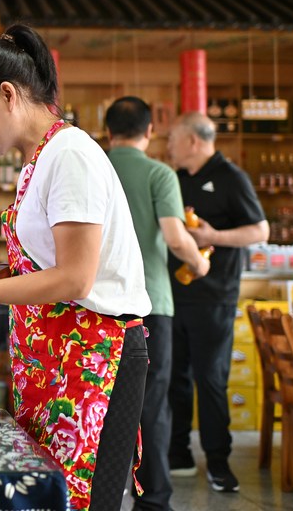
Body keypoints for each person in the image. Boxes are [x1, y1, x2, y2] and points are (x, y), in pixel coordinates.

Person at [0, 24, 150, 511]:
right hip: (54, 359)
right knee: (46, 495)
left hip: (94, 355)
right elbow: (46, 264)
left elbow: (76, 278)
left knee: (79, 500)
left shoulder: (70, 155)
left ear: (9, 94)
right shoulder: (39, 159)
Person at [105, 96, 211, 511]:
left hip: (94, 305)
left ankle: (102, 495)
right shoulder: (159, 173)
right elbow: (174, 235)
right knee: (152, 404)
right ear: (150, 131)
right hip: (149, 305)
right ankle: (153, 500)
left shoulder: (95, 165)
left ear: (108, 131)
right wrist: (200, 262)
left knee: (100, 401)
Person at [166, 113, 268, 493]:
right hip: (174, 295)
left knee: (211, 378)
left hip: (215, 297)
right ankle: (179, 454)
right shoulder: (174, 179)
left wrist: (214, 235)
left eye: (174, 138)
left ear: (193, 141)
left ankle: (219, 461)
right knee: (175, 377)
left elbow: (261, 229)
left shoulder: (230, 176)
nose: (169, 145)